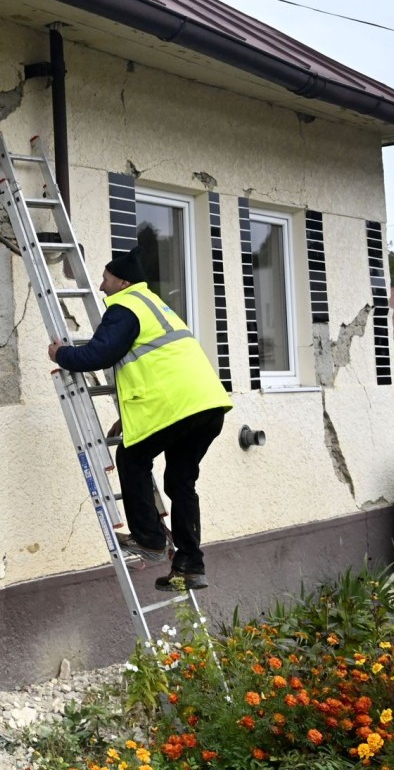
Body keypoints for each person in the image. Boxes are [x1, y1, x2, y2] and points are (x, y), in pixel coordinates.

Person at [47, 250, 232, 591]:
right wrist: (129, 417)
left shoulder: (125, 307)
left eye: (106, 279)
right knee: (180, 483)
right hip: (207, 405)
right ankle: (191, 566)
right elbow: (157, 365)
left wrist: (62, 354)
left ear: (124, 282)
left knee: (131, 458)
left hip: (175, 407)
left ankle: (149, 539)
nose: (101, 286)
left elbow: (97, 354)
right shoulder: (155, 305)